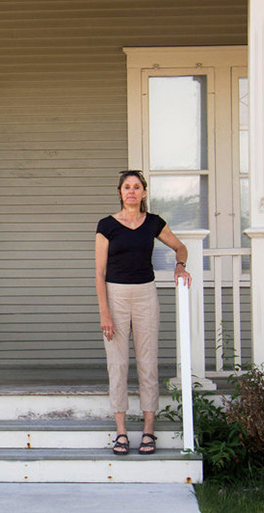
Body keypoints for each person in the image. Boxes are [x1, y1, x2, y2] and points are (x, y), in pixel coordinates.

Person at [94, 170, 191, 456]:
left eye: (137, 187)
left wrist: (180, 265)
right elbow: (99, 273)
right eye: (127, 187)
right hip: (116, 295)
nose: (132, 191)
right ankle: (121, 432)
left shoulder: (154, 223)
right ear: (120, 192)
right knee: (118, 364)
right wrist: (105, 313)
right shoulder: (107, 225)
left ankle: (149, 430)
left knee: (148, 363)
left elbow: (180, 246)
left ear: (144, 192)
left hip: (146, 294)